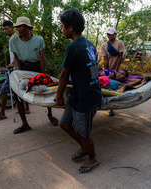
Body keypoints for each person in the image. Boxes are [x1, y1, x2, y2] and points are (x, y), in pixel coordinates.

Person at [55, 8, 101, 174]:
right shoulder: (89, 44)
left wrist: (58, 96)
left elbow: (63, 75)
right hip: (81, 94)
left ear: (70, 28)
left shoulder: (73, 47)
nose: (62, 30)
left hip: (87, 98)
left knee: (84, 133)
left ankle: (93, 158)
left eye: (62, 26)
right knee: (64, 124)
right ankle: (84, 148)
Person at [9, 16, 58, 134]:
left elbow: (42, 58)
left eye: (20, 27)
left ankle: (50, 115)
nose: (18, 29)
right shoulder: (14, 40)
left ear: (27, 28)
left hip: (36, 66)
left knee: (45, 90)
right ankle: (25, 124)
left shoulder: (38, 40)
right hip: (22, 67)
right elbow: (16, 58)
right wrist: (19, 76)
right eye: (17, 27)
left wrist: (43, 74)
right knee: (18, 94)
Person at [0, 21, 17, 122]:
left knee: (4, 90)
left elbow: (18, 53)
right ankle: (25, 109)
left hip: (14, 69)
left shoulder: (14, 38)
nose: (5, 31)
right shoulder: (12, 38)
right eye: (3, 29)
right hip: (14, 68)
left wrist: (13, 63)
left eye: (6, 29)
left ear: (12, 28)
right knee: (17, 91)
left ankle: (2, 113)